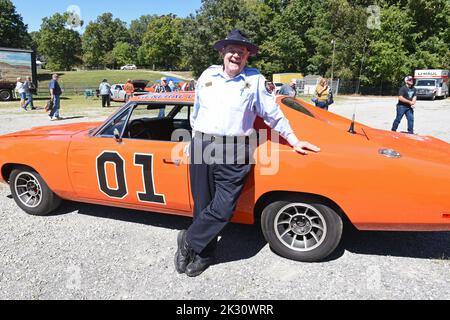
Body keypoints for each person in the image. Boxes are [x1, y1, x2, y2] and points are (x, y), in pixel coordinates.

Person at [174, 29, 320, 277]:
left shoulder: (254, 81)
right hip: (202, 145)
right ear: (223, 52)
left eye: (241, 52)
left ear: (247, 57)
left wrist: (294, 140)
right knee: (203, 203)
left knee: (223, 207)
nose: (236, 55)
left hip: (234, 149)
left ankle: (188, 239)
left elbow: (272, 114)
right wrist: (193, 136)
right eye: (231, 50)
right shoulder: (208, 75)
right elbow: (196, 109)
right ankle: (205, 253)